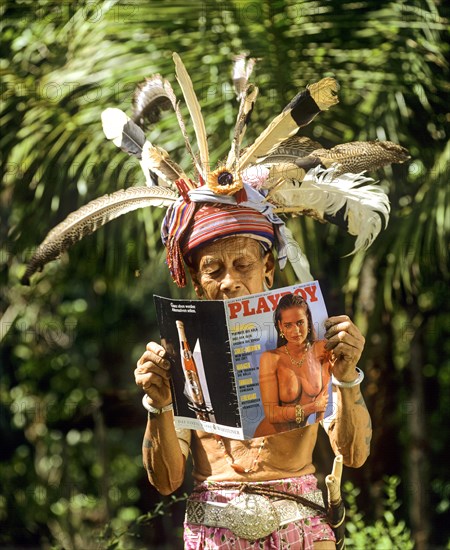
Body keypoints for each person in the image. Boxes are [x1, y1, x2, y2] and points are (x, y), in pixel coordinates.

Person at [134, 203, 370, 550]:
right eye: (213, 270)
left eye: (243, 265)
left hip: (301, 528)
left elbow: (353, 455)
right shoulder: (180, 360)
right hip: (212, 531)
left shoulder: (311, 339)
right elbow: (166, 481)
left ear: (268, 268)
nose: (229, 282)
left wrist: (347, 377)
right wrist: (158, 404)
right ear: (198, 284)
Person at [254, 293, 333, 438]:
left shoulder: (322, 349)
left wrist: (318, 422)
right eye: (288, 325)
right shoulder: (271, 359)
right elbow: (271, 414)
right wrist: (312, 407)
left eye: (300, 322)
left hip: (299, 438)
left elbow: (324, 396)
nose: (295, 331)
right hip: (269, 438)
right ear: (280, 326)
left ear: (308, 320)